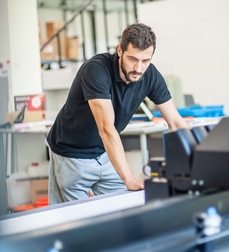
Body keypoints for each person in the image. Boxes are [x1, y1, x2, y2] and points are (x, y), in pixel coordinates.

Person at [47, 23, 188, 205]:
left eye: (145, 60)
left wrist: (199, 162)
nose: (138, 68)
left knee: (124, 209)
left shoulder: (150, 75)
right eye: (132, 59)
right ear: (120, 50)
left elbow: (176, 123)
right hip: (72, 155)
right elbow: (106, 129)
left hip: (105, 154)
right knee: (75, 222)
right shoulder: (96, 70)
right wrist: (129, 180)